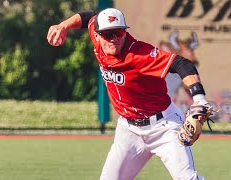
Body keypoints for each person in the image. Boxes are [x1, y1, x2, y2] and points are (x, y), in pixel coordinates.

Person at [47, 8, 210, 179]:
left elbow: (182, 64)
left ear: (124, 32)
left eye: (118, 33)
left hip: (164, 126)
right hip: (129, 130)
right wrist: (64, 26)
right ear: (97, 34)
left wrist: (199, 98)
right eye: (107, 34)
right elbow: (88, 16)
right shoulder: (96, 37)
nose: (113, 39)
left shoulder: (139, 54)